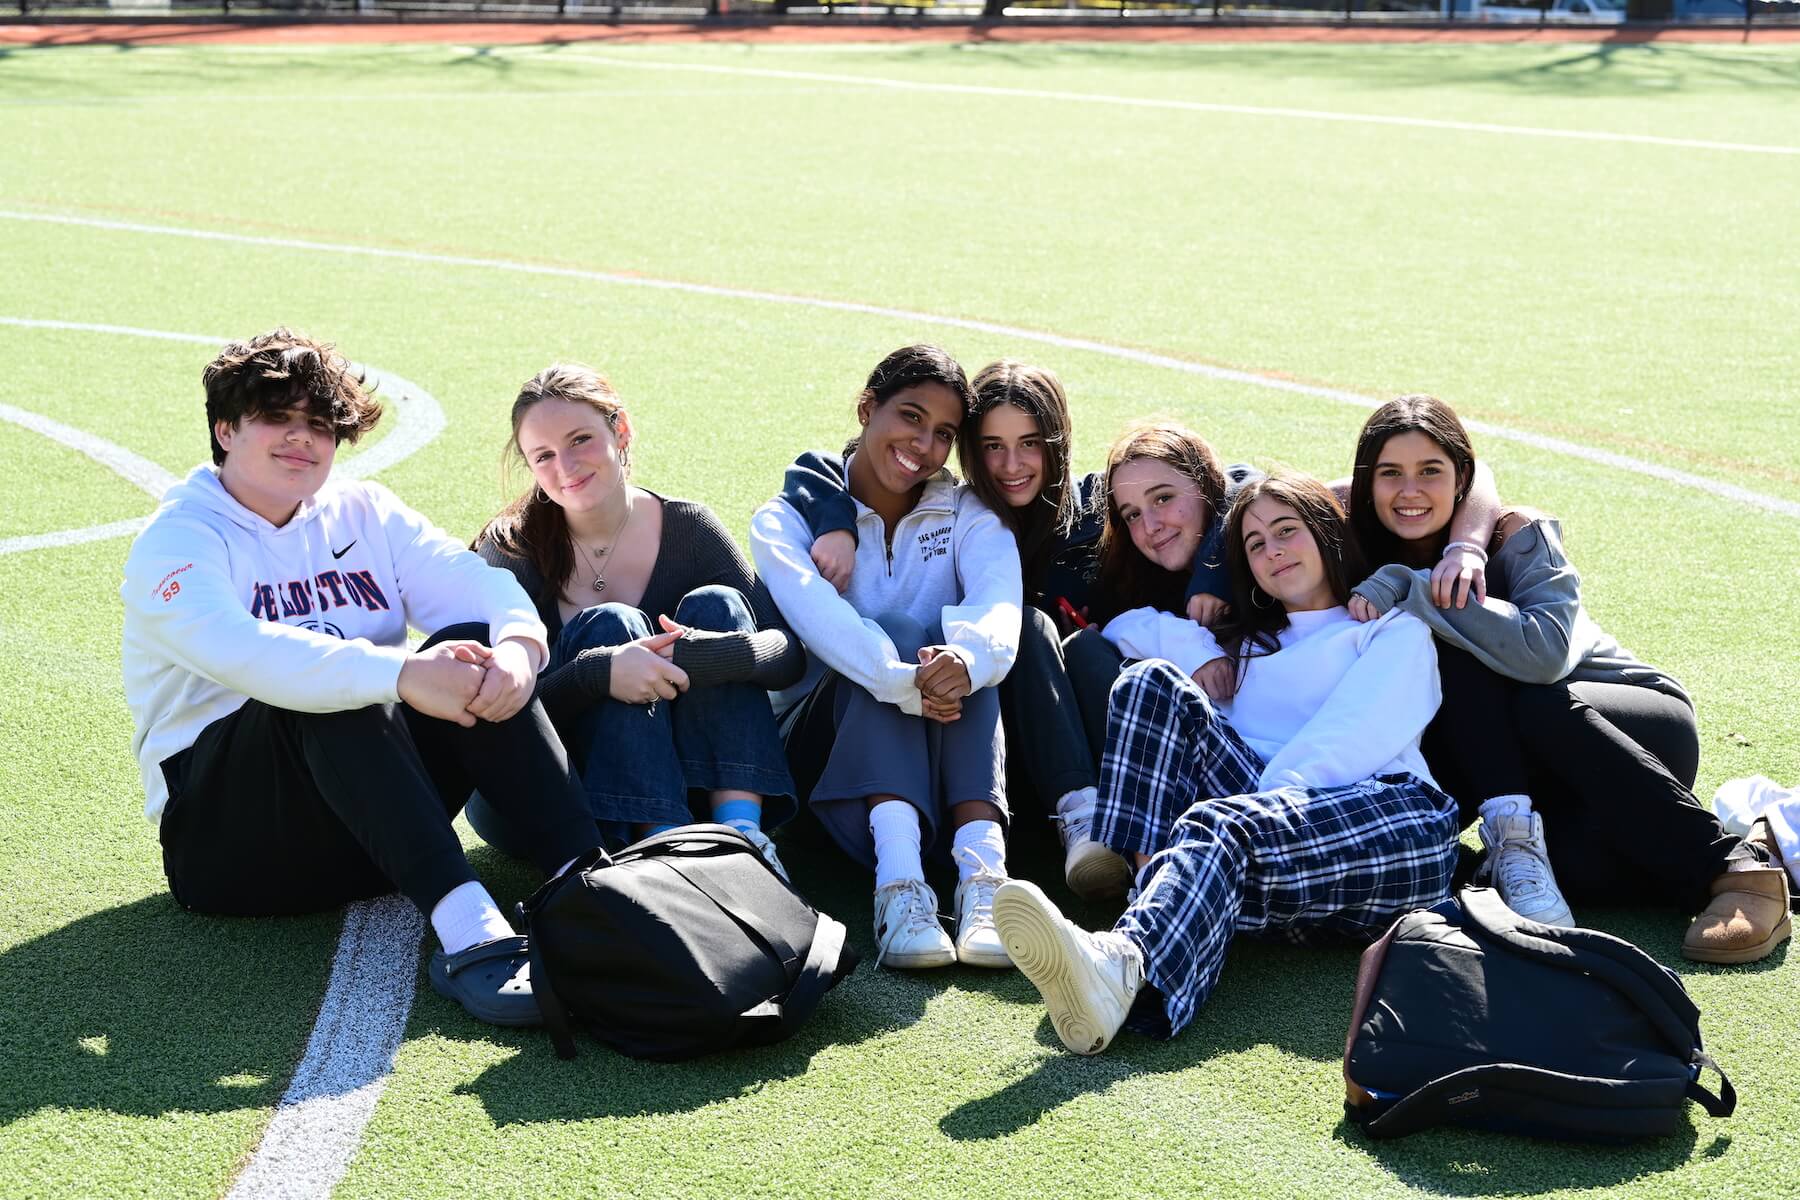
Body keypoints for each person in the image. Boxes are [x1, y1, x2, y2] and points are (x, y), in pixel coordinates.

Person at [121, 329, 599, 1028]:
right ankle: (472, 935)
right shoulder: (178, 541)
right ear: (225, 430)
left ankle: (589, 879)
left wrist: (521, 647)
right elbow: (250, 653)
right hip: (230, 850)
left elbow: (473, 583)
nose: (302, 440)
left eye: (319, 425)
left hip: (376, 829)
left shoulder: (362, 511)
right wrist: (403, 673)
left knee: (472, 646)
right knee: (326, 681)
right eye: (277, 419)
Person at [991, 470, 1459, 1055]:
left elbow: (1350, 737)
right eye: (1256, 544)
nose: (1273, 551)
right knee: (1150, 683)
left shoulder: (1389, 630)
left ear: (1327, 536)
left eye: (1287, 531)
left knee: (1223, 824)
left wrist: (1256, 812)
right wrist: (1201, 649)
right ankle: (1144, 915)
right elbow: (1126, 628)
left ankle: (1125, 959)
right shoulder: (1248, 648)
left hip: (1393, 825)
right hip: (1275, 862)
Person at [1344, 394, 1789, 963]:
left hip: (1621, 720)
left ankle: (1734, 869)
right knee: (1551, 869)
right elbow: (1246, 498)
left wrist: (1419, 584)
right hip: (1534, 777)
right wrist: (1212, 582)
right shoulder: (1349, 539)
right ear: (1366, 483)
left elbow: (1544, 656)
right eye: (1390, 474)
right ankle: (1714, 845)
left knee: (1487, 673)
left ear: (1461, 477)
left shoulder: (1518, 534)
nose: (1410, 491)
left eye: (1431, 471)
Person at [467, 364, 803, 875]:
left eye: (580, 439)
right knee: (612, 624)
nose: (566, 465)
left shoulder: (689, 527)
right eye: (544, 456)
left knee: (719, 605)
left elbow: (788, 652)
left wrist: (714, 654)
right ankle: (659, 854)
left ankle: (743, 837)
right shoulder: (512, 549)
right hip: (546, 793)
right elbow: (492, 710)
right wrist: (598, 673)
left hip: (681, 780)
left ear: (620, 430)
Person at [750, 345, 1024, 969]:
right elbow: (829, 630)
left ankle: (984, 883)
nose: (923, 444)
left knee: (967, 652)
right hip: (824, 766)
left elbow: (999, 599)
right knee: (899, 632)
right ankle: (899, 890)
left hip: (937, 758)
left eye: (944, 434)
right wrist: (908, 682)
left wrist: (963, 665)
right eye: (910, 416)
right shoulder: (785, 519)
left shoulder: (966, 512)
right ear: (867, 408)